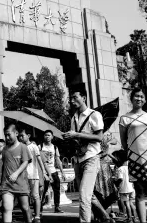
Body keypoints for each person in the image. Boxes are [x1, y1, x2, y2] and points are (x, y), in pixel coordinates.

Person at [63, 89, 110, 223]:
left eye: (75, 97)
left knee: (84, 195)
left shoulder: (94, 115)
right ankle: (105, 217)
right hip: (78, 159)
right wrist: (69, 138)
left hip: (91, 158)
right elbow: (75, 139)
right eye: (70, 98)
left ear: (84, 97)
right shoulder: (74, 118)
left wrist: (77, 135)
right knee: (89, 194)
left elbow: (99, 137)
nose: (72, 101)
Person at [119, 87, 147, 223]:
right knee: (139, 193)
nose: (139, 98)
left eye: (142, 97)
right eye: (136, 96)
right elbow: (123, 141)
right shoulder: (124, 118)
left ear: (145, 100)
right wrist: (130, 156)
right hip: (135, 158)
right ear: (131, 98)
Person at [1, 124, 32, 223]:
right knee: (7, 208)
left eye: (9, 135)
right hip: (7, 185)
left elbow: (26, 161)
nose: (7, 137)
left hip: (21, 184)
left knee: (25, 208)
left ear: (16, 133)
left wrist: (16, 173)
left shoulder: (23, 147)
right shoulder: (5, 149)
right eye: (5, 135)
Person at [19, 128, 48, 221]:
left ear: (28, 136)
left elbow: (40, 160)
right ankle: (28, 215)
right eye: (19, 136)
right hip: (23, 176)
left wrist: (44, 172)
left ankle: (37, 215)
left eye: (22, 136)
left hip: (33, 175)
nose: (20, 137)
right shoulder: (20, 147)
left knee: (36, 196)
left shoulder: (33, 146)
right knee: (25, 196)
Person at [39, 130, 66, 214]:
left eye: (49, 135)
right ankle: (39, 208)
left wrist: (62, 172)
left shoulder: (55, 147)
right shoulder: (40, 146)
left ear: (52, 137)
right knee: (42, 191)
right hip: (44, 172)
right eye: (46, 135)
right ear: (44, 136)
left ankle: (57, 207)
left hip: (53, 171)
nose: (47, 137)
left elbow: (58, 160)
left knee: (57, 190)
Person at [112, 150, 137, 223]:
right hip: (131, 188)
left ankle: (129, 218)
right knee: (131, 203)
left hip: (124, 189)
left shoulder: (120, 169)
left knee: (127, 204)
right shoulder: (129, 167)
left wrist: (115, 182)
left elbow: (120, 179)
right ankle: (135, 217)